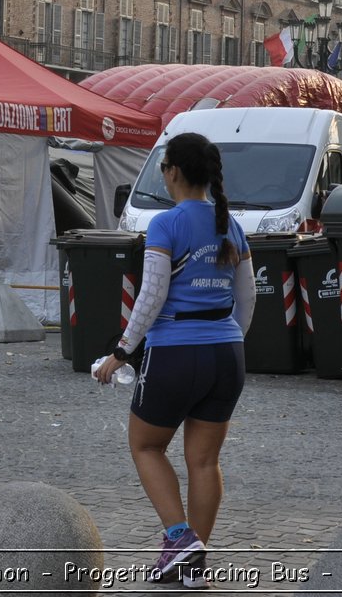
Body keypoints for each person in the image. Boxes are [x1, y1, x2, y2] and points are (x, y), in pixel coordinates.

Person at [94, 132, 256, 589]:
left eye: (164, 168)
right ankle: (191, 565)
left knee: (145, 445)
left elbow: (151, 295)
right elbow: (247, 300)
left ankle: (179, 538)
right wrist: (228, 343)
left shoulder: (167, 224)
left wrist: (121, 351)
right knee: (204, 463)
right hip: (228, 355)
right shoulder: (233, 226)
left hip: (176, 353)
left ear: (173, 173)